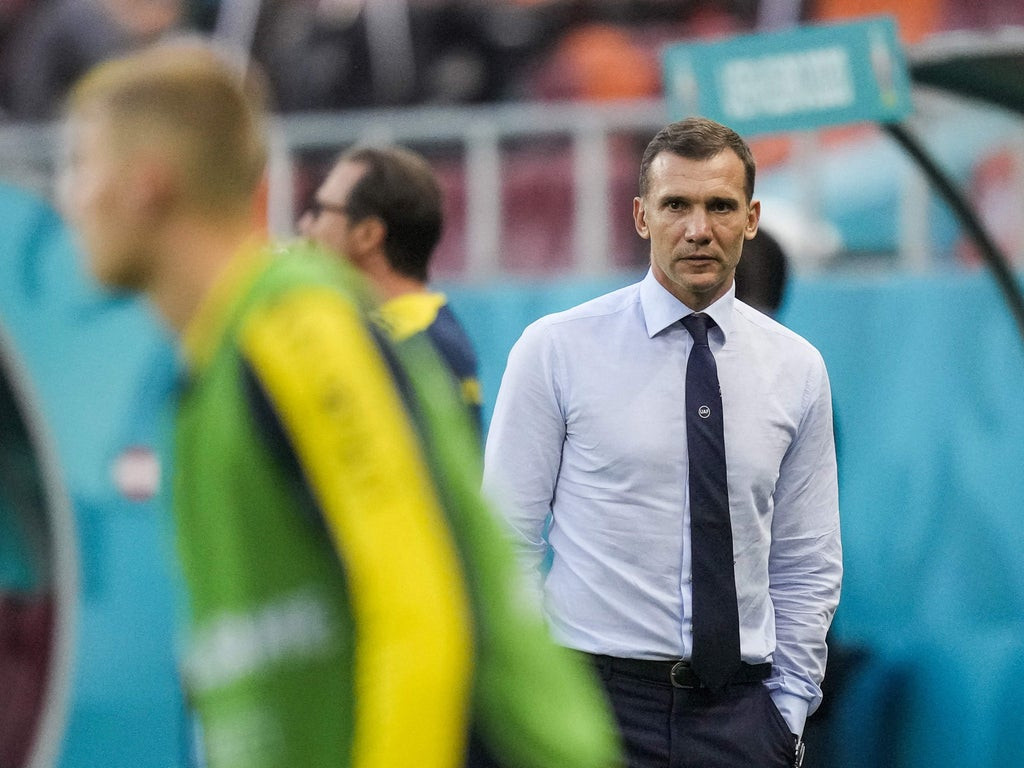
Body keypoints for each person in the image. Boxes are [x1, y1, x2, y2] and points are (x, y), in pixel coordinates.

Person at [58, 39, 620, 768]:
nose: (69, 196)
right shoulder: (208, 371)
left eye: (82, 165)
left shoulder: (294, 323)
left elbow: (419, 604)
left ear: (147, 185)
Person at [483, 117, 841, 768]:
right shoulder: (557, 350)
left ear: (752, 219)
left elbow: (807, 560)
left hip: (740, 718)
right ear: (641, 216)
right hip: (594, 705)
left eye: (720, 206)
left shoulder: (798, 369)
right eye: (677, 205)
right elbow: (504, 541)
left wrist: (786, 713)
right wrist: (542, 701)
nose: (698, 229)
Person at [299, 144, 483, 433]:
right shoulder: (421, 333)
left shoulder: (402, 347)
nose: (305, 226)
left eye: (320, 210)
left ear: (367, 235)